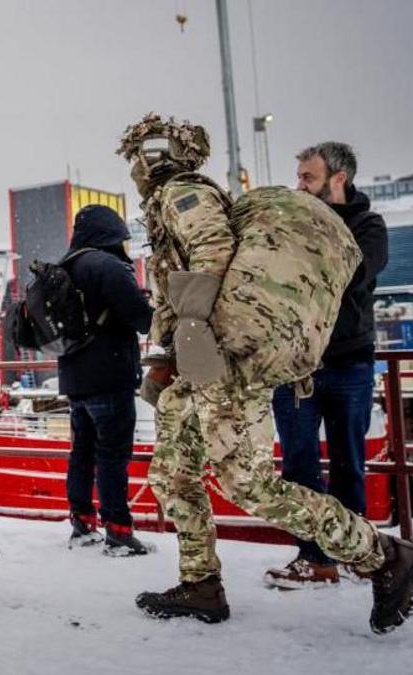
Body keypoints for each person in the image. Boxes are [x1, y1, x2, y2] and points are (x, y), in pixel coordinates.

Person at [117, 112, 413, 634]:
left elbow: (211, 252)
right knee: (173, 473)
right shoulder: (169, 201)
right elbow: (179, 282)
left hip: (222, 358)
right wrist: (169, 353)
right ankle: (201, 583)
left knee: (248, 484)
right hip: (202, 360)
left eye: (139, 154)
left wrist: (190, 342)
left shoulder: (182, 192)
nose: (135, 165)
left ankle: (384, 556)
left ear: (153, 157)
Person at [264, 142, 390, 588]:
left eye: (308, 178)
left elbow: (357, 271)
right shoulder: (290, 224)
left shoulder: (367, 225)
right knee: (298, 465)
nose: (300, 185)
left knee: (349, 463)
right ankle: (315, 558)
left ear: (339, 178)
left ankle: (358, 552)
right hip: (294, 367)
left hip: (350, 363)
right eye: (298, 177)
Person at [57, 205, 154, 555]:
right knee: (112, 455)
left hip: (74, 377)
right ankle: (118, 530)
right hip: (109, 374)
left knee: (81, 452)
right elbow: (142, 318)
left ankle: (82, 522)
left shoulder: (65, 266)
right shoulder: (108, 266)